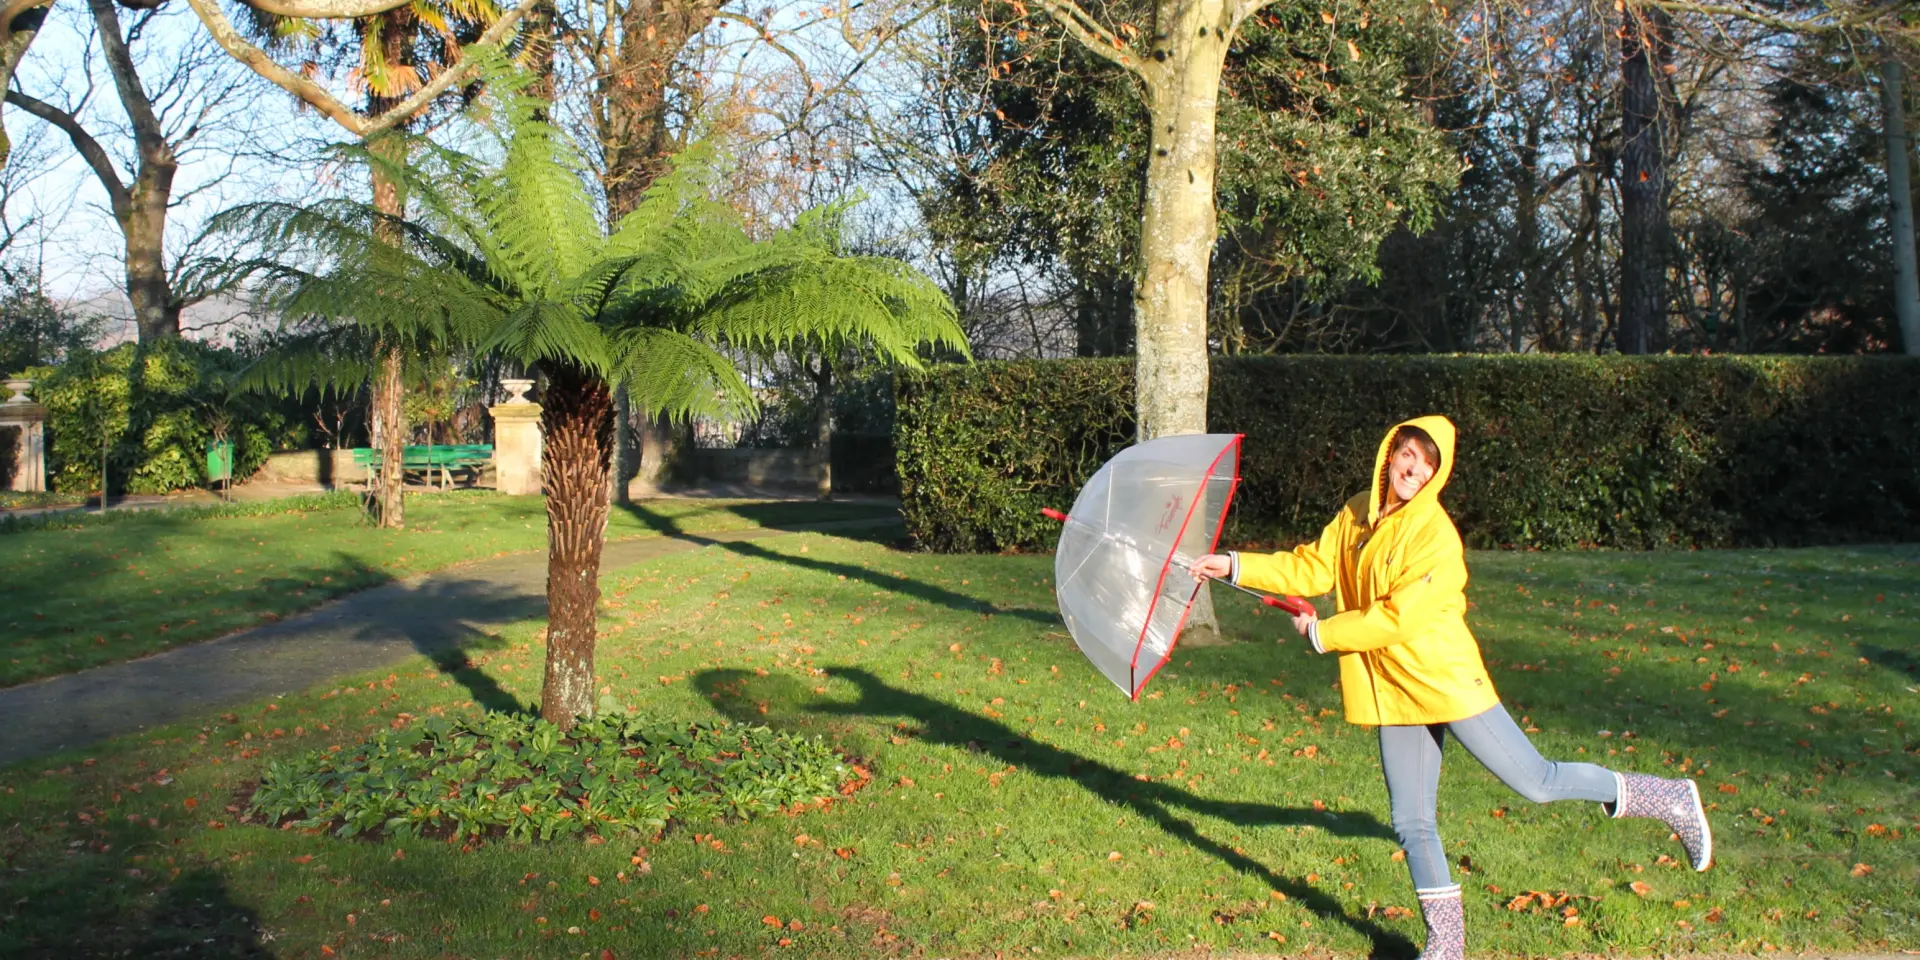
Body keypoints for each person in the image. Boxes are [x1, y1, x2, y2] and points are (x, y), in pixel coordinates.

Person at [1190, 415, 1710, 960]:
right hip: (1394, 688)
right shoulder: (1358, 510)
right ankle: (1447, 946)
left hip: (1446, 681)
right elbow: (1312, 568)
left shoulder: (1435, 536)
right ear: (1390, 452)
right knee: (1412, 821)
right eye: (1408, 453)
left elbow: (1398, 618)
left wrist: (1325, 634)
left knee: (1537, 781)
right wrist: (1232, 564)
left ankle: (1668, 797)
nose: (1413, 468)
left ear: (1438, 474)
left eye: (1427, 462)